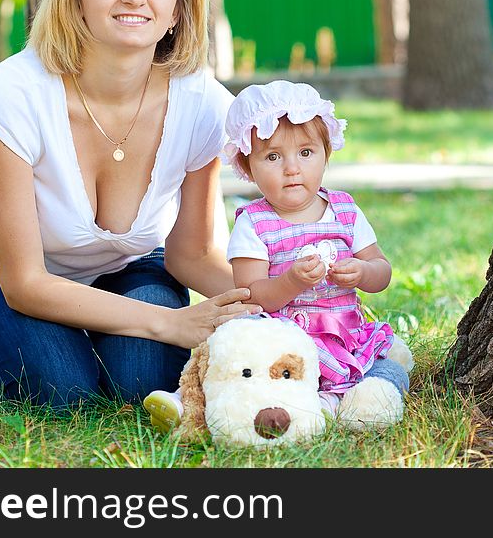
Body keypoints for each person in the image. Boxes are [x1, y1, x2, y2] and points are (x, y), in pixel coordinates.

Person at [0, 0, 260, 411]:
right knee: (64, 393)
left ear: (178, 7)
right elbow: (25, 281)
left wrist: (282, 303)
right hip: (7, 282)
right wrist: (170, 323)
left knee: (145, 387)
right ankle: (2, 348)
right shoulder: (14, 92)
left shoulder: (203, 103)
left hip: (132, 268)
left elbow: (193, 255)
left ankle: (88, 342)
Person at [142, 81, 410, 429]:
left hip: (342, 335)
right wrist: (292, 281)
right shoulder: (255, 223)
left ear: (326, 154)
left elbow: (382, 270)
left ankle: (336, 406)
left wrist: (362, 272)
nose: (291, 168)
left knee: (386, 363)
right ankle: (188, 403)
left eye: (305, 152)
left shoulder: (345, 211)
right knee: (235, 350)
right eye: (272, 156)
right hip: (278, 335)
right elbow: (253, 294)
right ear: (248, 166)